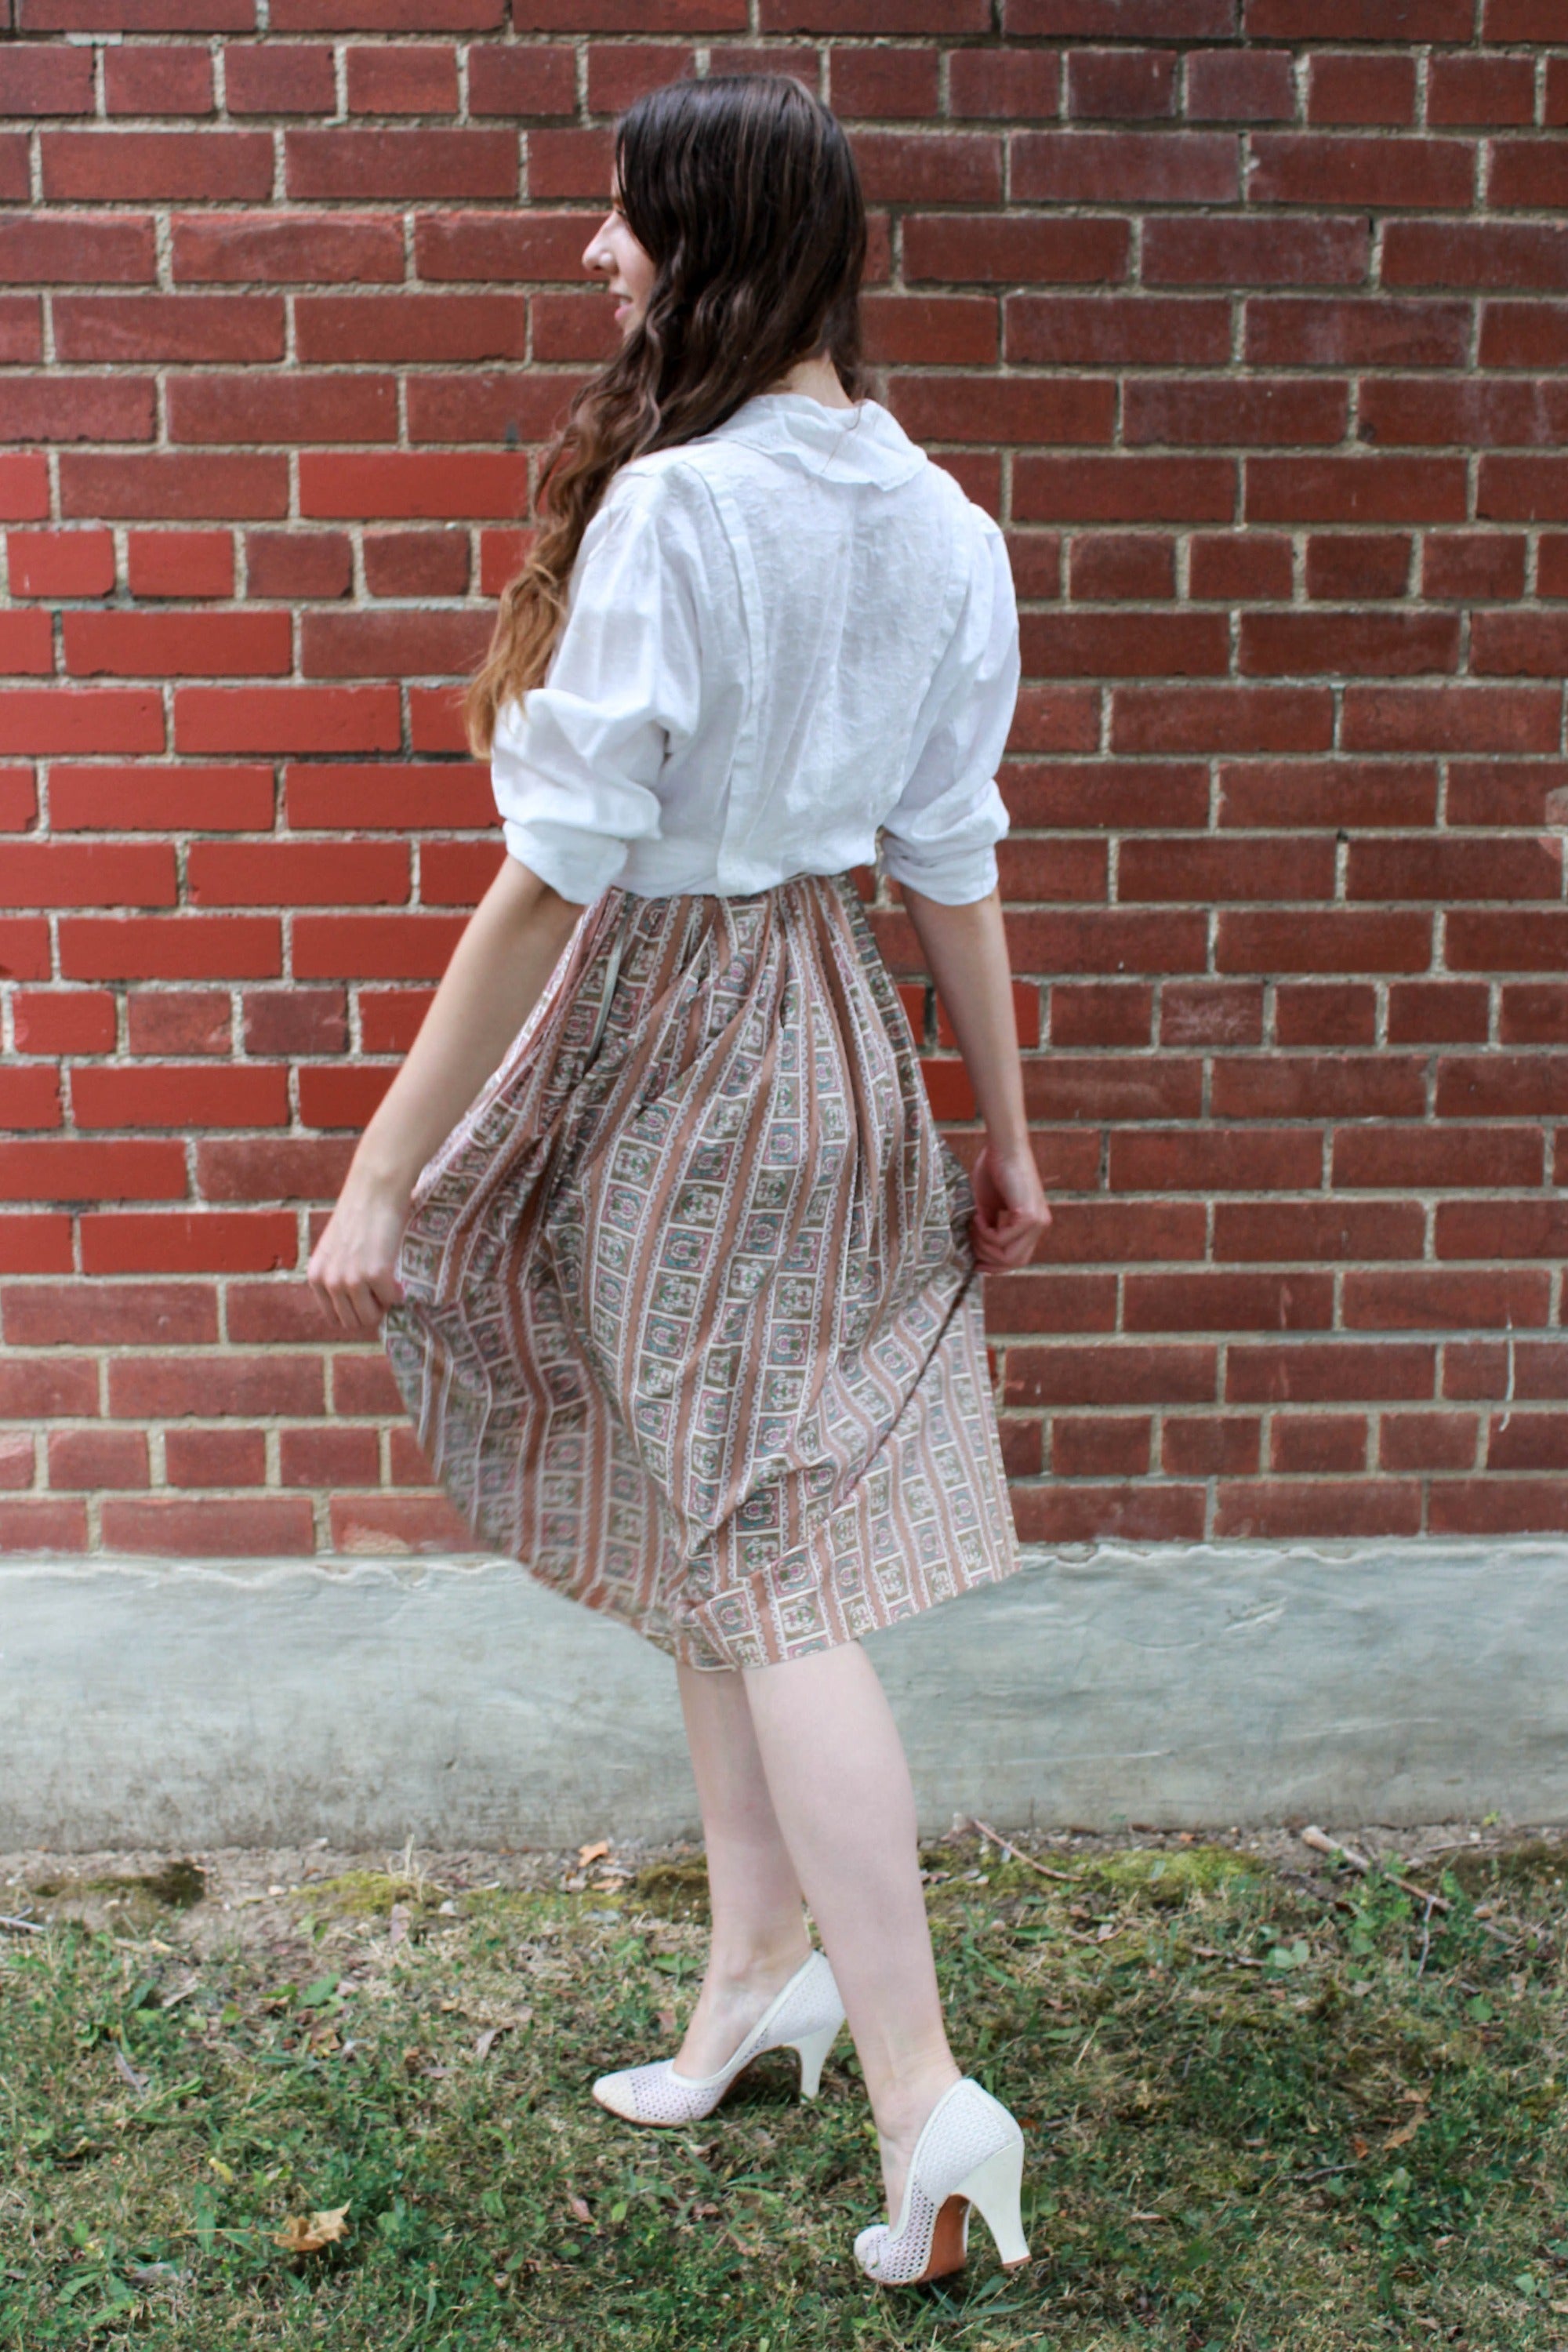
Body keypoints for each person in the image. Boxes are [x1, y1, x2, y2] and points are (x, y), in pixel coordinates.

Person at [308, 71, 1051, 2290]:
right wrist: (1000, 1130)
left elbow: (550, 888)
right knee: (727, 1524)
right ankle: (758, 1984)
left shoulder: (680, 516)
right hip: (838, 1030)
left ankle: (925, 2101)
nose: (597, 257)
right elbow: (952, 868)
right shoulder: (942, 519)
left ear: (717, 240)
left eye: (630, 223)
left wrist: (382, 1167)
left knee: (765, 1561)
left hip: (690, 1048)